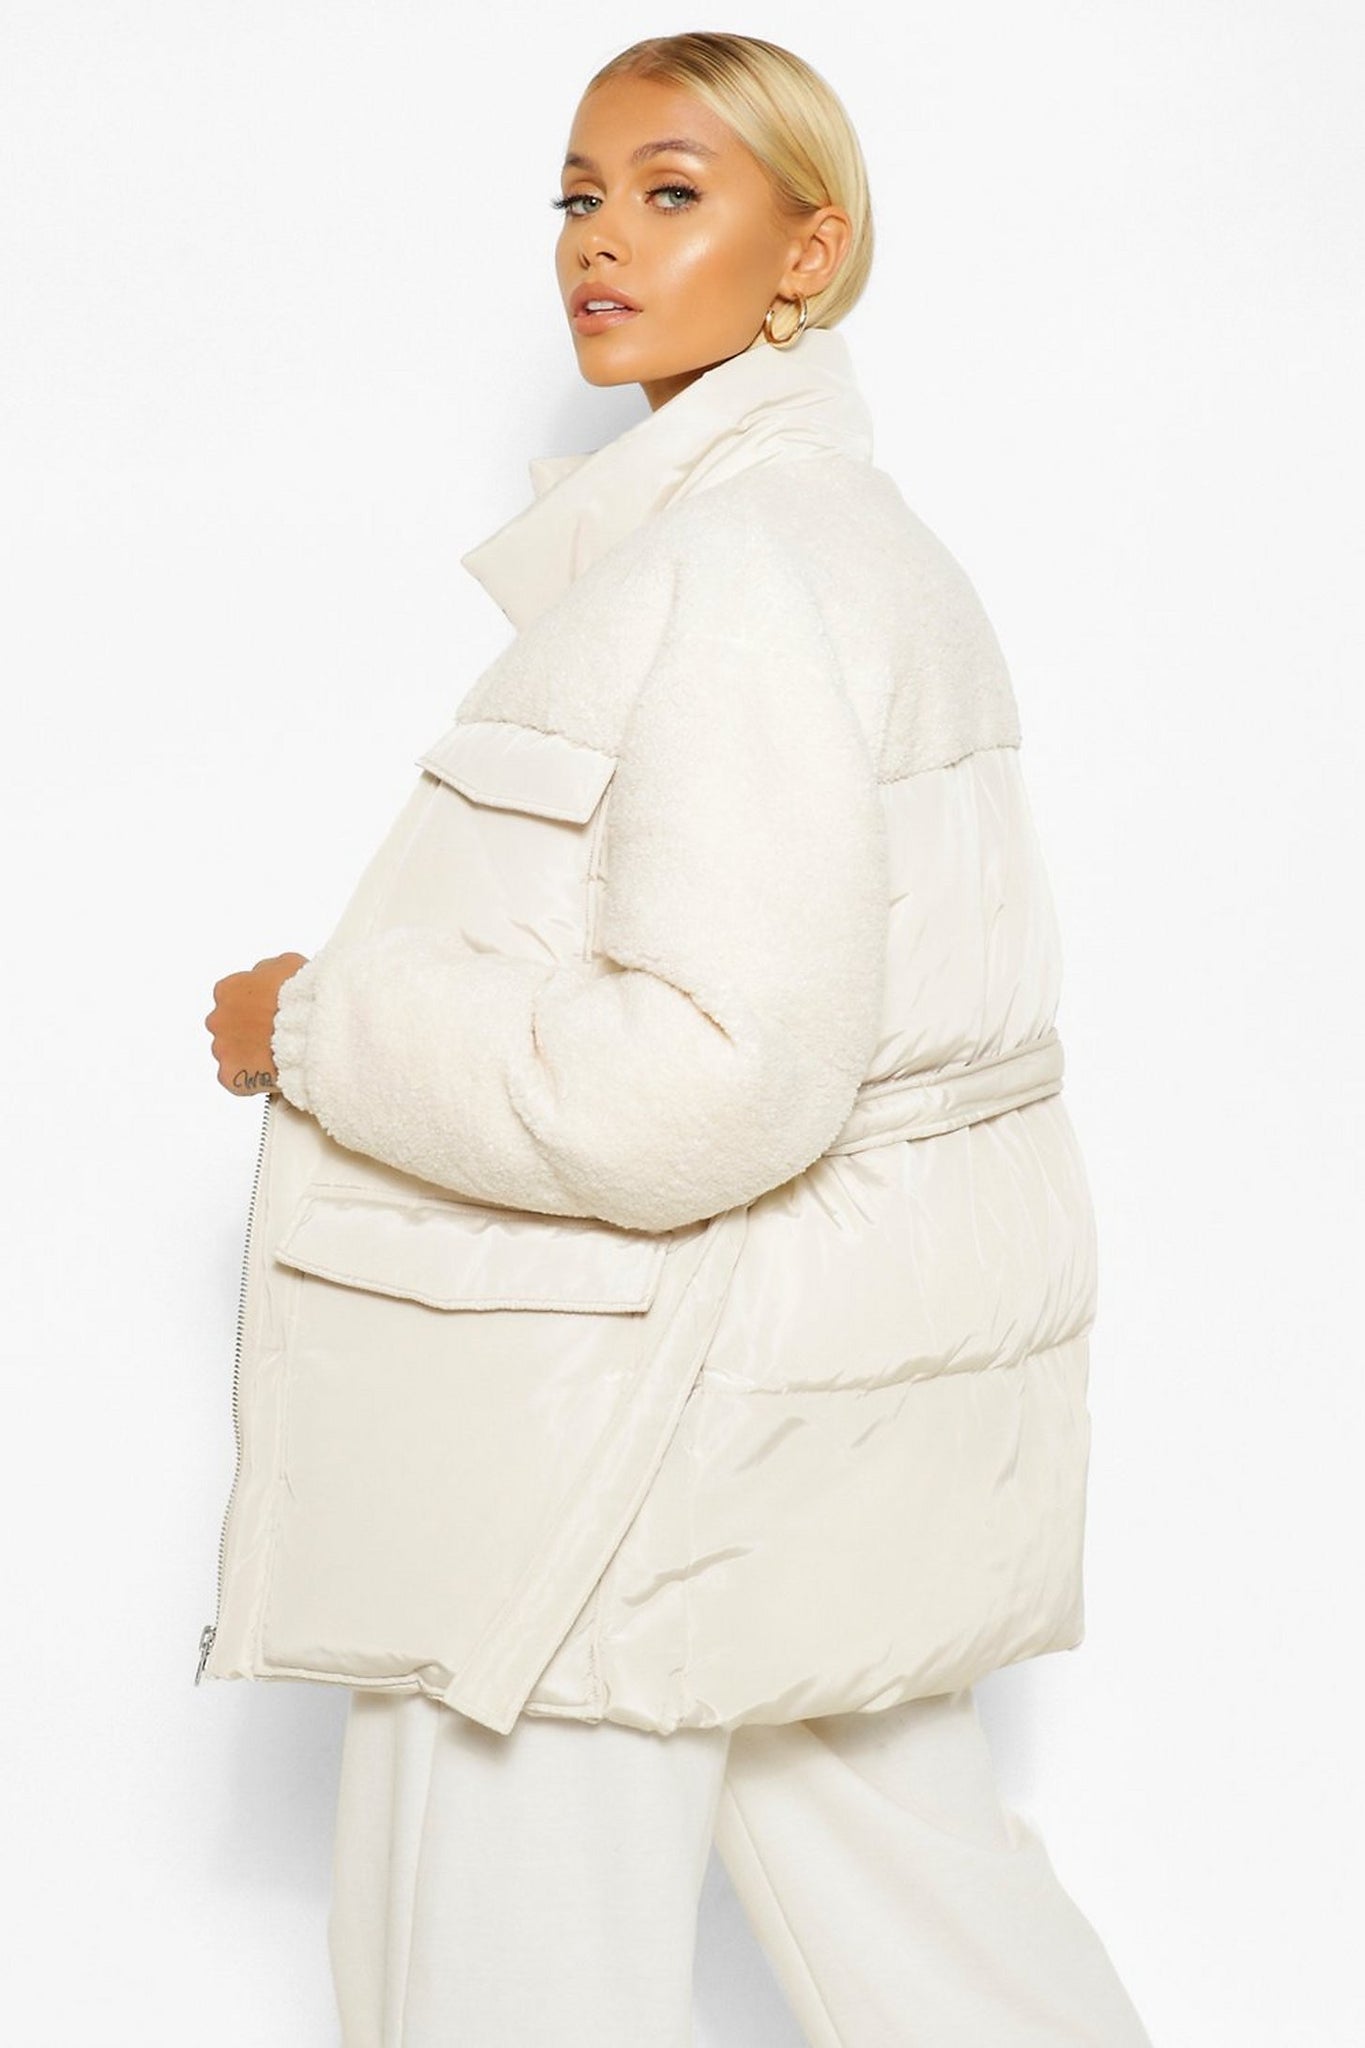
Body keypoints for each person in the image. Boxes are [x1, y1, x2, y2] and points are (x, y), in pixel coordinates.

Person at [201, 30, 1154, 2048]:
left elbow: (712, 1078)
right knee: (945, 1950)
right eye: (577, 194)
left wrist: (325, 1028)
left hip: (626, 1428)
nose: (598, 243)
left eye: (668, 192)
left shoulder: (734, 570)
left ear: (808, 251)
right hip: (811, 1397)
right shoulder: (843, 541)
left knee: (494, 1979)